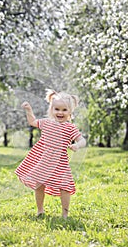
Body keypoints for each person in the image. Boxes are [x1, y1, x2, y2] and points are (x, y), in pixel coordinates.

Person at [15, 89, 86, 218]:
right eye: (57, 109)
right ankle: (40, 210)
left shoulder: (70, 128)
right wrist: (29, 110)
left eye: (64, 110)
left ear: (70, 111)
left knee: (65, 186)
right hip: (44, 160)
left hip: (60, 162)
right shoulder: (46, 123)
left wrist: (77, 145)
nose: (60, 112)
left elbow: (82, 140)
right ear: (51, 109)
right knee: (39, 185)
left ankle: (65, 214)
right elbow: (32, 122)